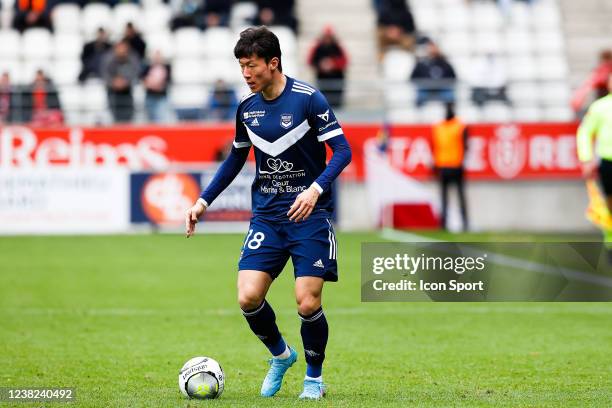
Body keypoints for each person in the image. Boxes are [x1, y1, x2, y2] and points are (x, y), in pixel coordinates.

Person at [184, 27, 352, 400]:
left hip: (309, 216)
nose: (245, 73)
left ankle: (313, 379)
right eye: (241, 66)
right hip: (267, 218)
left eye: (250, 65)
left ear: (273, 63)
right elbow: (235, 159)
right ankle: (281, 355)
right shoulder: (247, 108)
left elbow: (342, 151)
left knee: (307, 300)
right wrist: (203, 201)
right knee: (248, 297)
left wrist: (315, 188)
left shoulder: (309, 100)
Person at [577, 72, 612, 252]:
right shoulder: (600, 107)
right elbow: (585, 132)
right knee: (608, 201)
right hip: (608, 161)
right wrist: (586, 159)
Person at [432, 103, 468, 231]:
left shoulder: (460, 126)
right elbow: (434, 147)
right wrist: (434, 165)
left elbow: (465, 146)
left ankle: (465, 222)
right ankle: (443, 223)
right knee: (443, 197)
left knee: (460, 195)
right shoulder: (438, 128)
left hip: (456, 165)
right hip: (442, 166)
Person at [307, 26, 348, 108]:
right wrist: (321, 65)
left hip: (336, 79)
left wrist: (333, 64)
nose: (327, 39)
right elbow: (310, 61)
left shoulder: (337, 47)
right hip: (322, 79)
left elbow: (344, 61)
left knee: (336, 104)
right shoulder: (318, 47)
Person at [101, 40, 141, 123]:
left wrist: (126, 82)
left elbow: (136, 72)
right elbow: (104, 74)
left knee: (128, 115)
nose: (122, 52)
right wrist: (113, 82)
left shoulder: (132, 58)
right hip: (112, 92)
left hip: (127, 91)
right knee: (112, 115)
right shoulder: (108, 59)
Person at [411, 41, 456, 107]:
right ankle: (418, 112)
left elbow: (452, 77)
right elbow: (413, 77)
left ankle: (450, 113)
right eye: (430, 47)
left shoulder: (444, 62)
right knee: (420, 94)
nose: (432, 49)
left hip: (442, 88)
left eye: (434, 47)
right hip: (425, 88)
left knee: (449, 94)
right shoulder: (421, 63)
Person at [572, 49, 612, 114]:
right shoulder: (602, 70)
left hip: (603, 104)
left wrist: (578, 98)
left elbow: (587, 85)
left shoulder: (600, 70)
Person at [142, 50, 172, 123]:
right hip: (150, 97)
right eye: (156, 56)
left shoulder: (167, 67)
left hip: (162, 97)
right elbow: (144, 82)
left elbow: (166, 82)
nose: (157, 58)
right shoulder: (147, 68)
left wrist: (153, 84)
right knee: (150, 120)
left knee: (162, 119)